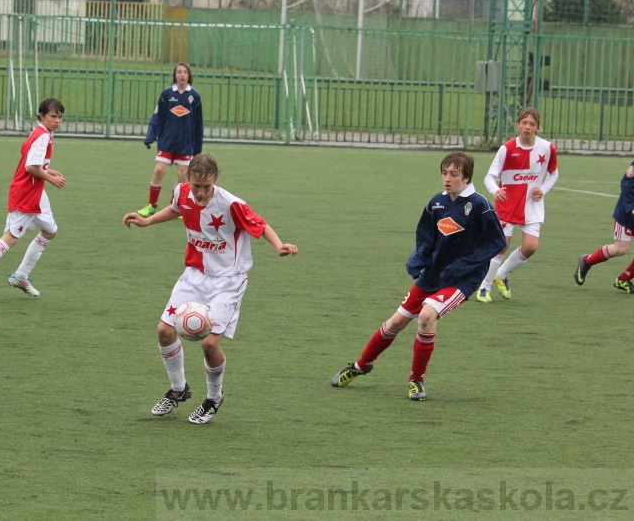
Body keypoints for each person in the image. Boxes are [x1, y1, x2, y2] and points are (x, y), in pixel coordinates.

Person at [123, 153, 297, 424]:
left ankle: (214, 398)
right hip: (194, 275)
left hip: (228, 281)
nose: (201, 192)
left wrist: (279, 246)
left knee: (209, 343)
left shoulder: (231, 204)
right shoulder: (181, 191)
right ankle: (179, 389)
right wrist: (147, 221)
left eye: (206, 186)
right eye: (196, 186)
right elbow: (177, 209)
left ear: (216, 179)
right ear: (189, 180)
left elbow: (260, 226)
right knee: (164, 330)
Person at [331, 151, 505, 401]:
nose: (447, 178)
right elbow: (426, 235)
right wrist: (419, 258)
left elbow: (496, 242)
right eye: (444, 173)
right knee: (395, 323)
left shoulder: (480, 206)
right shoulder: (437, 202)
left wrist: (463, 265)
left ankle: (416, 380)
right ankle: (361, 366)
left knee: (426, 316)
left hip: (461, 279)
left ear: (466, 177)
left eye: (454, 174)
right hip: (434, 275)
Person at [0, 97, 66, 300]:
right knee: (10, 238)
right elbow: (30, 167)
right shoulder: (42, 136)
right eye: (53, 116)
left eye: (60, 117)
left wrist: (48, 171)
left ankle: (21, 276)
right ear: (41, 116)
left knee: (50, 231)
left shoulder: (41, 133)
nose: (58, 120)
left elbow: (30, 158)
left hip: (37, 193)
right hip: (26, 193)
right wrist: (51, 179)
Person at [475, 108, 559, 303]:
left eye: (532, 124)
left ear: (538, 127)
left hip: (532, 205)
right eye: (524, 123)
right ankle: (484, 288)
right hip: (507, 204)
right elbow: (489, 176)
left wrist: (543, 189)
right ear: (518, 125)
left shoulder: (547, 149)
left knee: (530, 247)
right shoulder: (507, 148)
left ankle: (501, 274)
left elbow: (553, 173)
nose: (527, 127)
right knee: (501, 246)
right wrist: (496, 190)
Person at [136, 63, 203, 217]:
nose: (182, 75)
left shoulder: (194, 96)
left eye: (185, 72)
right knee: (159, 170)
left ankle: (175, 207)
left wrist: (197, 147)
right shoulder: (167, 94)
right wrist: (151, 136)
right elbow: (158, 116)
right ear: (175, 75)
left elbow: (198, 123)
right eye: (179, 72)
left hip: (186, 143)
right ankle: (151, 206)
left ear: (189, 75)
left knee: (182, 175)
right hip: (167, 140)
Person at [574, 159, 634, 293]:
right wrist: (631, 207)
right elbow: (627, 184)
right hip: (627, 217)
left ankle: (623, 280)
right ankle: (586, 261)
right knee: (620, 250)